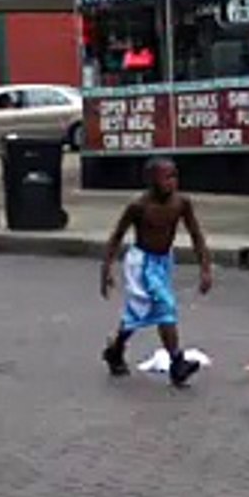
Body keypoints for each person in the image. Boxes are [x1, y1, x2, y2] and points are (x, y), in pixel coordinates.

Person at [101, 158, 214, 387]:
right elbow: (116, 237)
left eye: (175, 176)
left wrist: (205, 268)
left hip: (163, 261)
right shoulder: (139, 206)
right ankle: (177, 362)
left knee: (139, 312)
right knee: (165, 306)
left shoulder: (181, 203)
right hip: (141, 263)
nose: (172, 182)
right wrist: (106, 271)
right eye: (167, 177)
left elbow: (196, 235)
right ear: (152, 181)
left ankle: (115, 349)